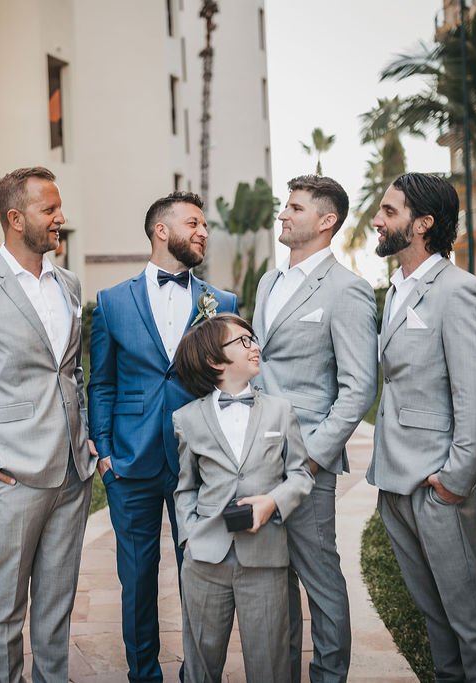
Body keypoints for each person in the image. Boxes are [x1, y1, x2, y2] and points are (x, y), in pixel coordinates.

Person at [0, 166, 95, 683]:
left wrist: (88, 443)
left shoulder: (68, 283)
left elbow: (71, 370)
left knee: (56, 602)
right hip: (10, 475)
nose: (61, 218)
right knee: (5, 606)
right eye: (49, 209)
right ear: (15, 218)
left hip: (73, 472)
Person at [87, 191, 238, 682]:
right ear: (161, 230)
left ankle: (196, 672)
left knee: (199, 572)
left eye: (205, 226)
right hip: (129, 462)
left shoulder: (223, 303)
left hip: (200, 460)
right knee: (137, 579)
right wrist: (104, 452)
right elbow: (101, 382)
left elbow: (231, 381)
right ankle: (143, 674)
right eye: (193, 223)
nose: (202, 232)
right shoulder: (111, 302)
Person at [367, 172, 476, 682]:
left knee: (469, 618)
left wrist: (453, 480)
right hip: (395, 478)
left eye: (389, 211)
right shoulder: (396, 290)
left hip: (437, 484)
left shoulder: (460, 291)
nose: (377, 221)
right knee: (433, 613)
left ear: (422, 223)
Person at [251, 175, 378, 682]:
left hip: (307, 461)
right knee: (274, 580)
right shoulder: (267, 281)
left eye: (295, 207)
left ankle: (329, 676)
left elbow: (359, 388)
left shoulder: (348, 290)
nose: (283, 214)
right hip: (257, 456)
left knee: (319, 578)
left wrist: (313, 457)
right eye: (286, 205)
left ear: (326, 222)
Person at [172, 313, 314, 683]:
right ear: (215, 360)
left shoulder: (279, 411)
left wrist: (273, 502)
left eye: (253, 339)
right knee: (201, 665)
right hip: (206, 560)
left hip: (265, 559)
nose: (255, 347)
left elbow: (300, 474)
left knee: (271, 665)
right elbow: (186, 486)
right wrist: (189, 536)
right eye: (243, 341)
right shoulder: (187, 418)